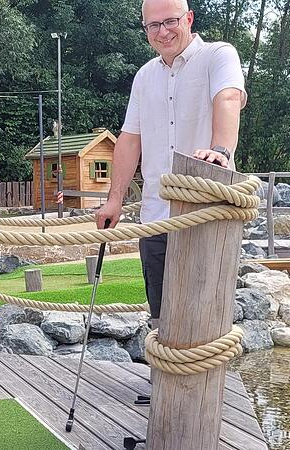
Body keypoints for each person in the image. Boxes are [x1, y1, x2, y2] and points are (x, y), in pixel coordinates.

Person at [95, 0, 246, 323]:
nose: (162, 32)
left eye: (170, 21)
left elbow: (229, 98)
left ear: (188, 18)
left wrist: (220, 150)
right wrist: (114, 201)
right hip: (156, 218)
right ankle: (161, 375)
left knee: (205, 321)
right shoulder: (144, 76)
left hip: (208, 215)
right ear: (145, 30)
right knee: (162, 318)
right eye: (153, 25)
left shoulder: (219, 55)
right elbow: (129, 139)